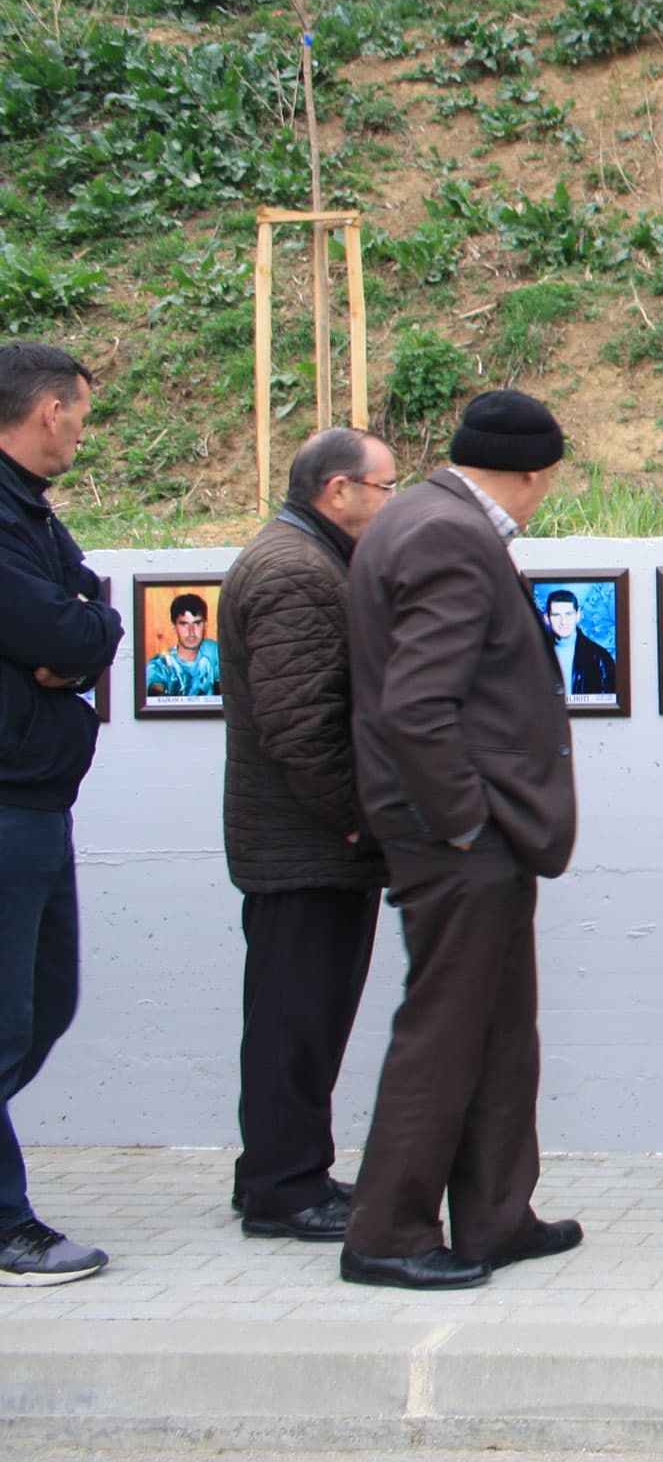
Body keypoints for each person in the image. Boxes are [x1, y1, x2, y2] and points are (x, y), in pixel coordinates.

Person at [341, 390, 584, 1291]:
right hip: (455, 837)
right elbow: (415, 705)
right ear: (533, 473)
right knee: (444, 1031)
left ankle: (494, 1214)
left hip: (467, 832)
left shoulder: (415, 516)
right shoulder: (449, 534)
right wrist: (464, 821)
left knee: (499, 1028)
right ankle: (389, 1232)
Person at [219, 427, 398, 1242]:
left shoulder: (312, 559)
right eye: (385, 485)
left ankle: (285, 1168)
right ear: (338, 490)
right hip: (307, 845)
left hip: (311, 841)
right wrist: (357, 819)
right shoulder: (295, 570)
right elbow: (301, 725)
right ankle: (283, 1187)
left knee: (306, 1018)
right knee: (295, 1021)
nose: (392, 499)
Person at [0, 341, 124, 1287]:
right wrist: (75, 628)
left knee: (46, 1005)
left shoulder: (30, 510)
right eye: (80, 412)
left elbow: (95, 616)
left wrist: (83, 628)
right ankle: (7, 1223)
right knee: (8, 1018)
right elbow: (55, 627)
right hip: (8, 800)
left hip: (40, 796)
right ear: (49, 411)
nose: (83, 429)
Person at [542, 589, 617, 698]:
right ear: (546, 618)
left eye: (568, 614)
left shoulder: (600, 658)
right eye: (556, 615)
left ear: (578, 616)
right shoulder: (537, 654)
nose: (563, 622)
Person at [146, 591, 221, 698]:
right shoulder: (160, 664)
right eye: (184, 624)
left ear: (205, 625)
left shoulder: (213, 652)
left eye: (197, 623)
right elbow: (155, 692)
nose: (191, 632)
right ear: (174, 627)